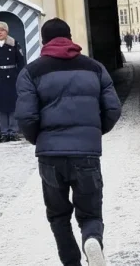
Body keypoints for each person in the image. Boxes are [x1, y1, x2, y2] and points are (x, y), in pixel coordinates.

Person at [16, 18, 121, 266]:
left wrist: (39, 139)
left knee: (58, 215)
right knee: (90, 212)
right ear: (70, 38)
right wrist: (93, 132)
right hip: (86, 154)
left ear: (44, 41)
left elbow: (26, 116)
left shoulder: (30, 72)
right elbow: (113, 109)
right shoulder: (95, 68)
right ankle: (91, 239)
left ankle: (70, 261)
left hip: (50, 157)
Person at [0, 21, 26, 142]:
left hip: (12, 78)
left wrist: (21, 78)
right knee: (1, 107)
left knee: (13, 105)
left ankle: (13, 132)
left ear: (6, 32)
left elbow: (21, 62)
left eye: (2, 30)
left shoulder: (14, 44)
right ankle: (3, 132)